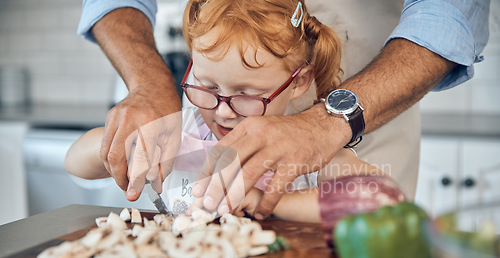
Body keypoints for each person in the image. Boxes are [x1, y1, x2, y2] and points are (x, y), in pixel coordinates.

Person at [77, 0, 490, 218]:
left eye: (245, 95)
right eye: (206, 86)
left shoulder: (311, 154)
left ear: (301, 83)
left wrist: (262, 201)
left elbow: (385, 201)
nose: (222, 112)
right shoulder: (186, 130)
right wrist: (130, 144)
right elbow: (76, 162)